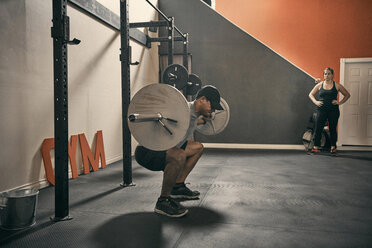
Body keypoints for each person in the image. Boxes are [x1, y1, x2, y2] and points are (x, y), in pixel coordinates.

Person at [134, 85, 224, 217]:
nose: (214, 110)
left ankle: (177, 186)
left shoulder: (193, 114)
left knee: (198, 148)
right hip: (148, 152)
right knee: (179, 155)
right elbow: (166, 117)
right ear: (202, 99)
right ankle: (162, 202)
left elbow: (193, 122)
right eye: (213, 106)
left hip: (166, 148)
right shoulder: (181, 109)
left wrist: (204, 120)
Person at [308, 67, 350, 155]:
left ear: (332, 75)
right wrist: (316, 101)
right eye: (325, 74)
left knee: (333, 129)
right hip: (321, 110)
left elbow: (347, 94)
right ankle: (315, 147)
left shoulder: (337, 85)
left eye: (328, 74)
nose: (326, 75)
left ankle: (333, 147)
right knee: (318, 128)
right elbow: (311, 94)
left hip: (333, 110)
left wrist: (339, 102)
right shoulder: (320, 85)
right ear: (323, 75)